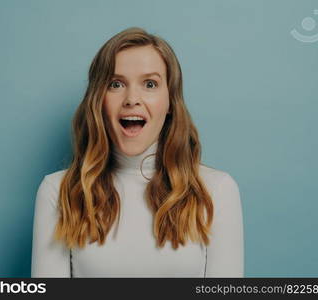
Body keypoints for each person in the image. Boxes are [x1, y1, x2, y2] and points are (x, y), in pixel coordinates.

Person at [31, 27, 244, 278]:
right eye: (116, 84)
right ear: (98, 101)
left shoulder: (216, 190)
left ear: (170, 103)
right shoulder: (59, 191)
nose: (132, 98)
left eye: (150, 84)